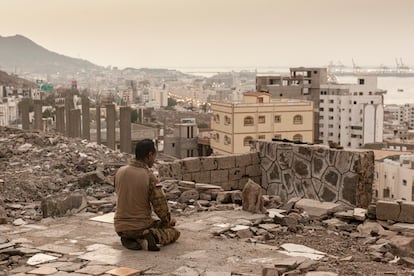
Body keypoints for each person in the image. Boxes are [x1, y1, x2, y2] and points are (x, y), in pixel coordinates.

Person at [114, 139, 180, 251]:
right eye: (154, 156)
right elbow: (160, 206)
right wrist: (167, 222)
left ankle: (128, 238)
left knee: (151, 223)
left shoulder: (120, 171)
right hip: (140, 226)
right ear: (149, 155)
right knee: (174, 232)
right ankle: (150, 234)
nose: (154, 160)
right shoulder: (149, 176)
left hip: (120, 226)